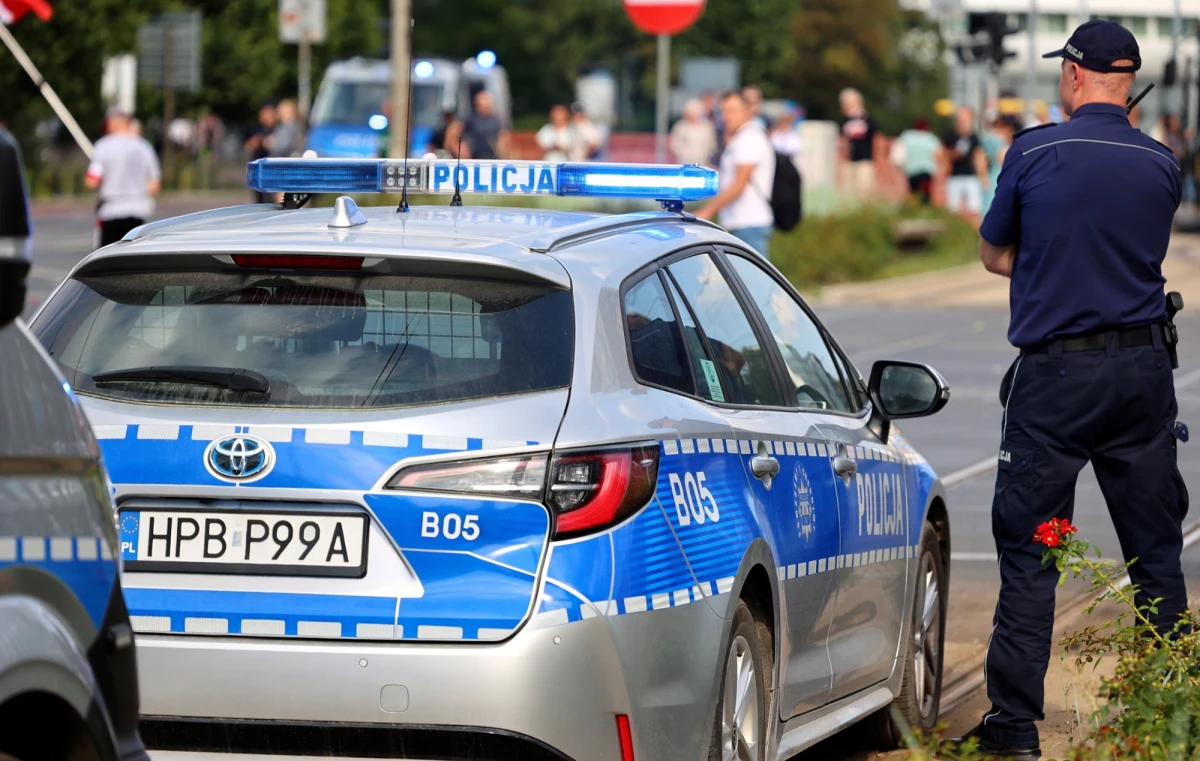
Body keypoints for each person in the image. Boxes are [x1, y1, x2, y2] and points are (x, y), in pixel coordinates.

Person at [952, 20, 1188, 760]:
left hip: (1055, 378)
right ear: (1131, 83)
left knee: (1033, 550)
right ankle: (1172, 713)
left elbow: (994, 253)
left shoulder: (1033, 151)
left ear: (1075, 75)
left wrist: (1046, 264)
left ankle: (1015, 728)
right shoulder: (1163, 163)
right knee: (1155, 550)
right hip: (1142, 375)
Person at [694, 91, 776, 258]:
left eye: (732, 110)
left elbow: (739, 184)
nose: (726, 116)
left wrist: (707, 210)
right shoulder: (743, 137)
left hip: (749, 222)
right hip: (744, 222)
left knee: (750, 275)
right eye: (723, 111)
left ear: (747, 111)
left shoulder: (749, 138)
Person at [85, 107, 161, 248]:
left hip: (111, 211)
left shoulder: (103, 146)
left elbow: (91, 181)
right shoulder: (144, 147)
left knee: (108, 255)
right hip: (137, 210)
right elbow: (154, 186)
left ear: (111, 123)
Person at [940, 106, 990, 227]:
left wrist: (983, 176)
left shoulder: (974, 137)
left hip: (971, 176)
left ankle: (976, 234)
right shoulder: (950, 136)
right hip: (954, 176)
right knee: (953, 210)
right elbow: (942, 155)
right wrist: (953, 155)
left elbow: (978, 156)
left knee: (974, 210)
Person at [838, 87, 882, 202]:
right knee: (849, 192)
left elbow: (876, 138)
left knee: (865, 191)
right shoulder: (846, 121)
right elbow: (843, 141)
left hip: (865, 160)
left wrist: (878, 158)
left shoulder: (866, 118)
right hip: (850, 161)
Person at [447, 91, 510, 160]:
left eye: (488, 103)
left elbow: (504, 136)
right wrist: (456, 146)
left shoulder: (496, 120)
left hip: (492, 157)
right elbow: (453, 129)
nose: (487, 105)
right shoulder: (470, 118)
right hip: (474, 157)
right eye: (484, 102)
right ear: (477, 105)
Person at [891, 117, 941, 204]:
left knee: (914, 193)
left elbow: (898, 151)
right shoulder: (931, 138)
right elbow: (937, 154)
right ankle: (925, 208)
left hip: (911, 170)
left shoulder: (907, 136)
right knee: (925, 194)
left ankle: (916, 207)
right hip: (926, 170)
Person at [669, 98, 718, 166]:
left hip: (703, 163)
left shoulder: (707, 127)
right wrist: (683, 154)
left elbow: (712, 145)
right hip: (684, 163)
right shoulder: (680, 127)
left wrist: (706, 155)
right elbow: (674, 145)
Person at [244, 104, 276, 203]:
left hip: (272, 167)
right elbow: (248, 146)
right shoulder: (257, 129)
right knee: (260, 197)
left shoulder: (278, 129)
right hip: (260, 167)